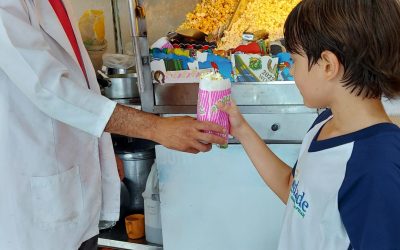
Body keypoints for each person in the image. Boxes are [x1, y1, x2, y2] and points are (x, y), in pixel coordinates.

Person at [0, 1, 226, 250]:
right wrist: (156, 129)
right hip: (38, 190)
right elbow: (50, 90)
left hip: (75, 187)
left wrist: (102, 155)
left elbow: (80, 86)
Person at [219, 0, 400, 249]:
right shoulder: (324, 122)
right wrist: (241, 129)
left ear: (328, 65)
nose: (292, 71)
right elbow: (293, 191)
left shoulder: (375, 167)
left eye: (294, 60)